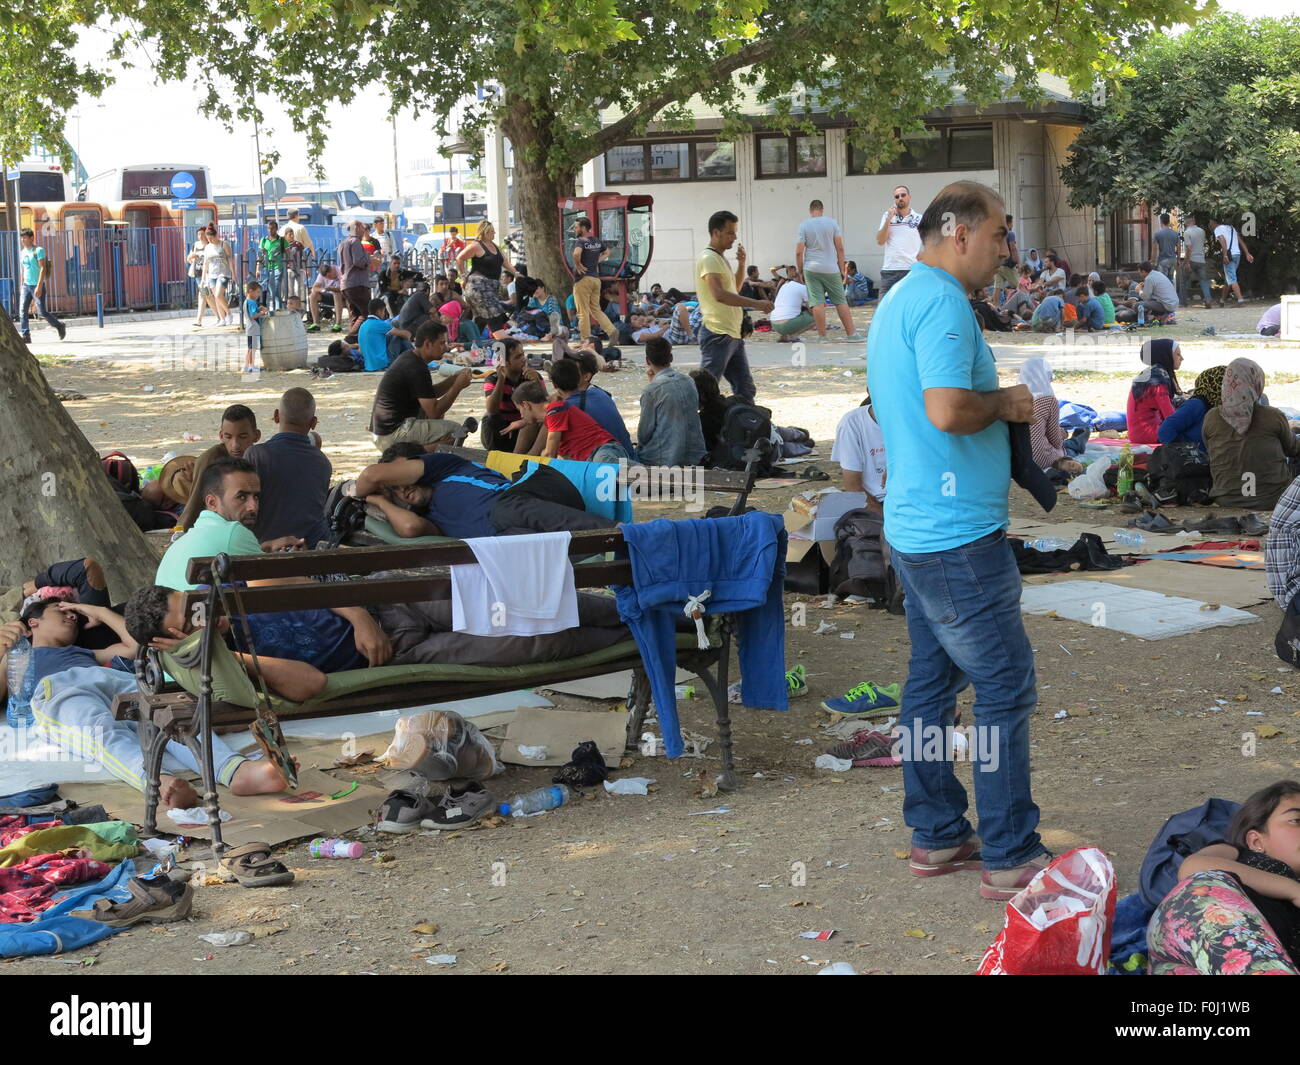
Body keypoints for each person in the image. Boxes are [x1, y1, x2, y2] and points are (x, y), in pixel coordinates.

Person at [866, 179, 1049, 900]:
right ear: (961, 232)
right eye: (1001, 233)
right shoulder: (941, 302)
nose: (1007, 250)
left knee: (930, 685)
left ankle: (938, 833)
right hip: (956, 540)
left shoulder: (899, 299)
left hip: (916, 528)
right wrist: (1008, 401)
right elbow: (944, 409)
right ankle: (1010, 852)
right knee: (1004, 684)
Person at [0, 600, 291, 809]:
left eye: (75, 614)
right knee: (99, 730)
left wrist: (99, 611)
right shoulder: (18, 655)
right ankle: (159, 782)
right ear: (32, 624)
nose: (73, 617)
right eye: (61, 611)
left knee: (172, 714)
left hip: (110, 678)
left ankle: (236, 772)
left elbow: (133, 647)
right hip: (58, 689)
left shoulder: (86, 651)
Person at [1147, 780, 1300, 974]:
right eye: (1297, 820)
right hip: (1195, 942)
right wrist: (1292, 889)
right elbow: (1193, 868)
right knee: (1205, 887)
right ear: (1255, 840)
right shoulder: (1237, 853)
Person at [349, 450, 610, 539]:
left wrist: (355, 491)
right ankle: (609, 552)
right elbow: (409, 528)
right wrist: (377, 499)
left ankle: (618, 532)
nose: (403, 490)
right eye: (395, 492)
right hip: (507, 531)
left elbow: (372, 475)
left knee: (505, 511)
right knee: (520, 545)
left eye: (399, 481)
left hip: (540, 491)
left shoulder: (445, 466)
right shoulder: (432, 517)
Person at [156, 457, 310, 590]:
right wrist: (295, 562)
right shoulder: (233, 532)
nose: (253, 506)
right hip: (212, 624)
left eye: (256, 497)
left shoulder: (184, 540)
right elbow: (279, 584)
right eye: (242, 497)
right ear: (212, 502)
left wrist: (266, 547)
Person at [696, 210, 773, 405]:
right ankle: (697, 429)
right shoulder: (709, 258)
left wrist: (741, 263)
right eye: (730, 232)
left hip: (732, 334)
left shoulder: (720, 258)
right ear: (716, 233)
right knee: (704, 390)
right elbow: (719, 294)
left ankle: (745, 426)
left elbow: (735, 289)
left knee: (745, 389)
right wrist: (756, 304)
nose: (734, 237)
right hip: (718, 333)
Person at [1202, 357, 1300, 510]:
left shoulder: (1211, 417)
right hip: (1273, 500)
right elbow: (1293, 449)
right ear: (1257, 383)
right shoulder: (1273, 416)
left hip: (1226, 500)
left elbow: (1209, 449)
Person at [244, 388, 333, 546]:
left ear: (276, 416)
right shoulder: (322, 463)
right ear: (313, 423)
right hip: (311, 551)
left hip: (265, 551)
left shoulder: (256, 455)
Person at [370, 320, 474, 452]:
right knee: (455, 431)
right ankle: (418, 453)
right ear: (427, 344)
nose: (445, 347)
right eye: (441, 343)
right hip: (390, 435)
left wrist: (454, 379)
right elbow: (435, 412)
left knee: (434, 417)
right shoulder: (416, 368)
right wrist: (457, 386)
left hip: (383, 431)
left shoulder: (411, 358)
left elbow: (428, 393)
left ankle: (424, 451)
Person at [179, 404, 262, 531]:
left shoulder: (260, 458)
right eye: (228, 437)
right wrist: (179, 533)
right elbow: (193, 505)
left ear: (256, 436)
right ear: (221, 436)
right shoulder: (211, 460)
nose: (235, 445)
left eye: (243, 437)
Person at [795, 200, 865, 342]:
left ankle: (822, 336)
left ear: (810, 211)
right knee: (840, 300)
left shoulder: (804, 225)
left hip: (811, 267)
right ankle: (852, 334)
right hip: (830, 267)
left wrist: (800, 270)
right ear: (822, 209)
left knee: (817, 302)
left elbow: (799, 252)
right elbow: (840, 248)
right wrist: (841, 269)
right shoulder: (832, 223)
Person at [513, 380, 628, 463]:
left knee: (607, 467)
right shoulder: (552, 415)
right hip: (591, 459)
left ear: (526, 405)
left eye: (520, 410)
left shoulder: (555, 410)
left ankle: (644, 475)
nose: (521, 415)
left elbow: (549, 454)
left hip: (603, 451)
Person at [635, 337, 706, 467]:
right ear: (671, 358)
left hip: (666, 459)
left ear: (647, 361)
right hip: (696, 455)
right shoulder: (689, 381)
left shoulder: (651, 391)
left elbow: (644, 435)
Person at [552, 355, 634, 456]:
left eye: (572, 370)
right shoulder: (599, 392)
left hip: (610, 461)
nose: (567, 372)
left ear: (586, 376)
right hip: (625, 454)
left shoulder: (572, 405)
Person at [1019, 358, 1085, 475]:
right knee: (1067, 447)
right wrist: (1062, 434)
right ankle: (1077, 442)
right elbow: (1056, 442)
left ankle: (1076, 441)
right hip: (1040, 459)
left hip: (1018, 459)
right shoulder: (1048, 400)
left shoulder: (1016, 398)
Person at [483, 338, 543, 452]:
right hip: (503, 426)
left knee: (539, 421)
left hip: (526, 425)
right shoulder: (492, 379)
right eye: (518, 357)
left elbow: (545, 407)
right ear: (505, 362)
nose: (523, 360)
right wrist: (501, 380)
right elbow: (491, 409)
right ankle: (494, 455)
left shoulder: (532, 376)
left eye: (523, 355)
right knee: (490, 418)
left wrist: (536, 384)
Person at [830, 397, 887, 512]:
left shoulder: (915, 417)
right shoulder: (851, 423)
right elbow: (853, 487)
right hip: (877, 502)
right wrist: (886, 522)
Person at [1126, 338, 1184, 445]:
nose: (1182, 358)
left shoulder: (1154, 373)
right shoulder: (1157, 381)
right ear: (1166, 356)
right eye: (1178, 354)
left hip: (1139, 431)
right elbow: (1170, 417)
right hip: (1145, 434)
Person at [569, 216, 617, 342]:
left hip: (583, 280)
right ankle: (612, 331)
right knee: (596, 309)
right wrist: (596, 261)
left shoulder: (581, 241)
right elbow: (607, 252)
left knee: (582, 312)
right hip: (596, 280)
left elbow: (576, 254)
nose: (575, 229)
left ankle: (585, 340)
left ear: (584, 228)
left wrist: (578, 264)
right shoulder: (596, 241)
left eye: (576, 227)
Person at [456, 220, 517, 319]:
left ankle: (476, 331)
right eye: (492, 231)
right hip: (479, 286)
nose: (494, 233)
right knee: (496, 316)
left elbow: (504, 261)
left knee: (483, 318)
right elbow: (459, 258)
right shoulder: (476, 245)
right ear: (486, 232)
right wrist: (463, 277)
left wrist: (516, 273)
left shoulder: (494, 246)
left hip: (492, 287)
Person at [16, 228, 66, 344]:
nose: (23, 240)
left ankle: (59, 326)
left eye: (25, 237)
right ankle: (26, 335)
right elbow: (24, 268)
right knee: (22, 311)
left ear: (31, 238)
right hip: (26, 286)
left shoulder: (39, 250)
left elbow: (43, 268)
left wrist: (39, 286)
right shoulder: (23, 252)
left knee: (42, 312)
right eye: (22, 237)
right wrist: (22, 282)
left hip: (37, 285)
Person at [1158, 364, 1225, 447]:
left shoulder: (1220, 408)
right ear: (1215, 385)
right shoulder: (1197, 405)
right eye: (1225, 385)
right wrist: (1183, 451)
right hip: (1189, 458)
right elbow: (1166, 430)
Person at [874, 185, 923, 296]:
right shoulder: (887, 216)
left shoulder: (919, 218)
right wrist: (888, 220)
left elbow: (929, 241)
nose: (900, 198)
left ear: (909, 197)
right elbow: (880, 241)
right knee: (884, 309)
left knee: (910, 308)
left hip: (911, 271)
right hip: (890, 270)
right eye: (897, 196)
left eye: (903, 195)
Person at [357, 298, 412, 372]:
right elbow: (406, 335)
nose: (384, 314)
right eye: (383, 311)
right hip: (382, 364)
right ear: (379, 311)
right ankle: (417, 359)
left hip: (368, 366)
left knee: (391, 335)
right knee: (399, 337)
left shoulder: (363, 325)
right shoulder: (380, 324)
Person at [339, 220, 376, 328]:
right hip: (357, 283)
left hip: (346, 284)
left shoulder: (343, 242)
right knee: (367, 313)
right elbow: (358, 261)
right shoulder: (355, 242)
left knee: (354, 314)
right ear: (357, 228)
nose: (364, 230)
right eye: (362, 227)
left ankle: (353, 340)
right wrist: (369, 260)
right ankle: (351, 337)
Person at [1211, 215, 1254, 306]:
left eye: (1210, 223)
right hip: (1237, 254)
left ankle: (1240, 300)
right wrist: (1247, 253)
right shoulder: (1231, 228)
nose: (1209, 224)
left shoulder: (1217, 229)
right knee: (1229, 278)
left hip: (1229, 256)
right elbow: (1240, 241)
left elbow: (1223, 241)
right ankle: (1222, 301)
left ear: (1213, 222)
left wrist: (1225, 254)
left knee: (1232, 279)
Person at [201, 222, 233, 325]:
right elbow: (205, 263)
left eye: (211, 238)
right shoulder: (207, 247)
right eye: (208, 238)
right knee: (216, 296)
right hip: (212, 274)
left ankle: (228, 313)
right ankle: (222, 319)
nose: (210, 240)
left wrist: (234, 274)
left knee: (219, 294)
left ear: (215, 235)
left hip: (223, 273)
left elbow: (230, 260)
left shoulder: (224, 244)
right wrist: (203, 278)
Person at [1180, 213, 1213, 309]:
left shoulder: (1187, 232)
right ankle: (1208, 299)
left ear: (1186, 222)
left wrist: (1186, 262)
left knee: (1184, 281)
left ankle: (1183, 302)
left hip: (1191, 260)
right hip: (1201, 259)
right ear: (1194, 221)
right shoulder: (1202, 231)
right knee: (1204, 281)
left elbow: (1189, 248)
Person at [281, 209, 315, 300]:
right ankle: (301, 306)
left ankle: (289, 306)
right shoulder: (301, 228)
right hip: (299, 263)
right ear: (296, 216)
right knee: (300, 288)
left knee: (289, 288)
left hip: (287, 265)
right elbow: (308, 244)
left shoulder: (283, 228)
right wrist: (313, 253)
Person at [769, 276, 814, 341]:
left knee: (793, 312)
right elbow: (811, 311)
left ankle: (783, 336)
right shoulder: (803, 288)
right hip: (787, 324)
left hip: (774, 324)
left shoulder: (785, 286)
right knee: (817, 316)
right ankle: (794, 335)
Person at [258, 220, 289, 310]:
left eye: (273, 228)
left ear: (276, 229)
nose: (270, 230)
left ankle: (278, 309)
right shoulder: (263, 240)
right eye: (269, 228)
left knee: (274, 288)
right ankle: (276, 308)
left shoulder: (282, 241)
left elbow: (288, 254)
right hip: (266, 267)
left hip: (278, 267)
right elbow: (260, 255)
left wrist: (285, 264)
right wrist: (258, 268)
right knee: (269, 289)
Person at [309, 262, 346, 333]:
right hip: (329, 294)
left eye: (329, 276)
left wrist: (332, 289)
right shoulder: (322, 275)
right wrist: (322, 290)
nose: (329, 278)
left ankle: (338, 324)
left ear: (331, 269)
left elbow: (344, 289)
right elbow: (314, 288)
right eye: (326, 277)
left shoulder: (340, 271)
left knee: (336, 294)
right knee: (313, 295)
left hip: (341, 296)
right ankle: (316, 323)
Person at [1151, 212, 1181, 285]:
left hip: (1162, 260)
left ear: (1161, 221)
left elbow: (1154, 249)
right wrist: (1178, 260)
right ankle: (1171, 294)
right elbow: (1179, 247)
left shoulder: (1157, 234)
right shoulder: (1175, 234)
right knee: (1170, 280)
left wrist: (1153, 261)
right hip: (1173, 260)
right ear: (1169, 221)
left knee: (1162, 281)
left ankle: (1165, 295)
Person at [243, 280, 266, 372]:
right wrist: (262, 312)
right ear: (251, 291)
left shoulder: (247, 301)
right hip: (254, 328)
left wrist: (258, 309)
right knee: (253, 349)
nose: (258, 295)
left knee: (250, 348)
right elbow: (253, 316)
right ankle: (251, 366)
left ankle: (247, 365)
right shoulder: (252, 302)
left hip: (250, 328)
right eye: (257, 292)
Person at [994, 214, 1020, 289]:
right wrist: (1018, 262)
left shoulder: (998, 234)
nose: (1012, 225)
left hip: (998, 264)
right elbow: (1013, 248)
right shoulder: (1010, 233)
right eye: (1012, 223)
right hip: (1008, 264)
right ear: (1009, 223)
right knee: (1019, 285)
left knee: (998, 287)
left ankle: (995, 301)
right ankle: (1022, 300)